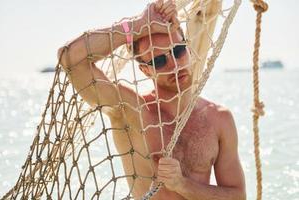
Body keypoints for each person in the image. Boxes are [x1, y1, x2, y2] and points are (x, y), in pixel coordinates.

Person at [58, 0, 246, 199]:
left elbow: (237, 196)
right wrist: (137, 26)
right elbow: (70, 59)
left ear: (189, 49)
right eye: (159, 60)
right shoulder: (131, 112)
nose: (174, 65)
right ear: (145, 70)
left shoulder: (219, 119)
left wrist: (182, 185)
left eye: (178, 51)